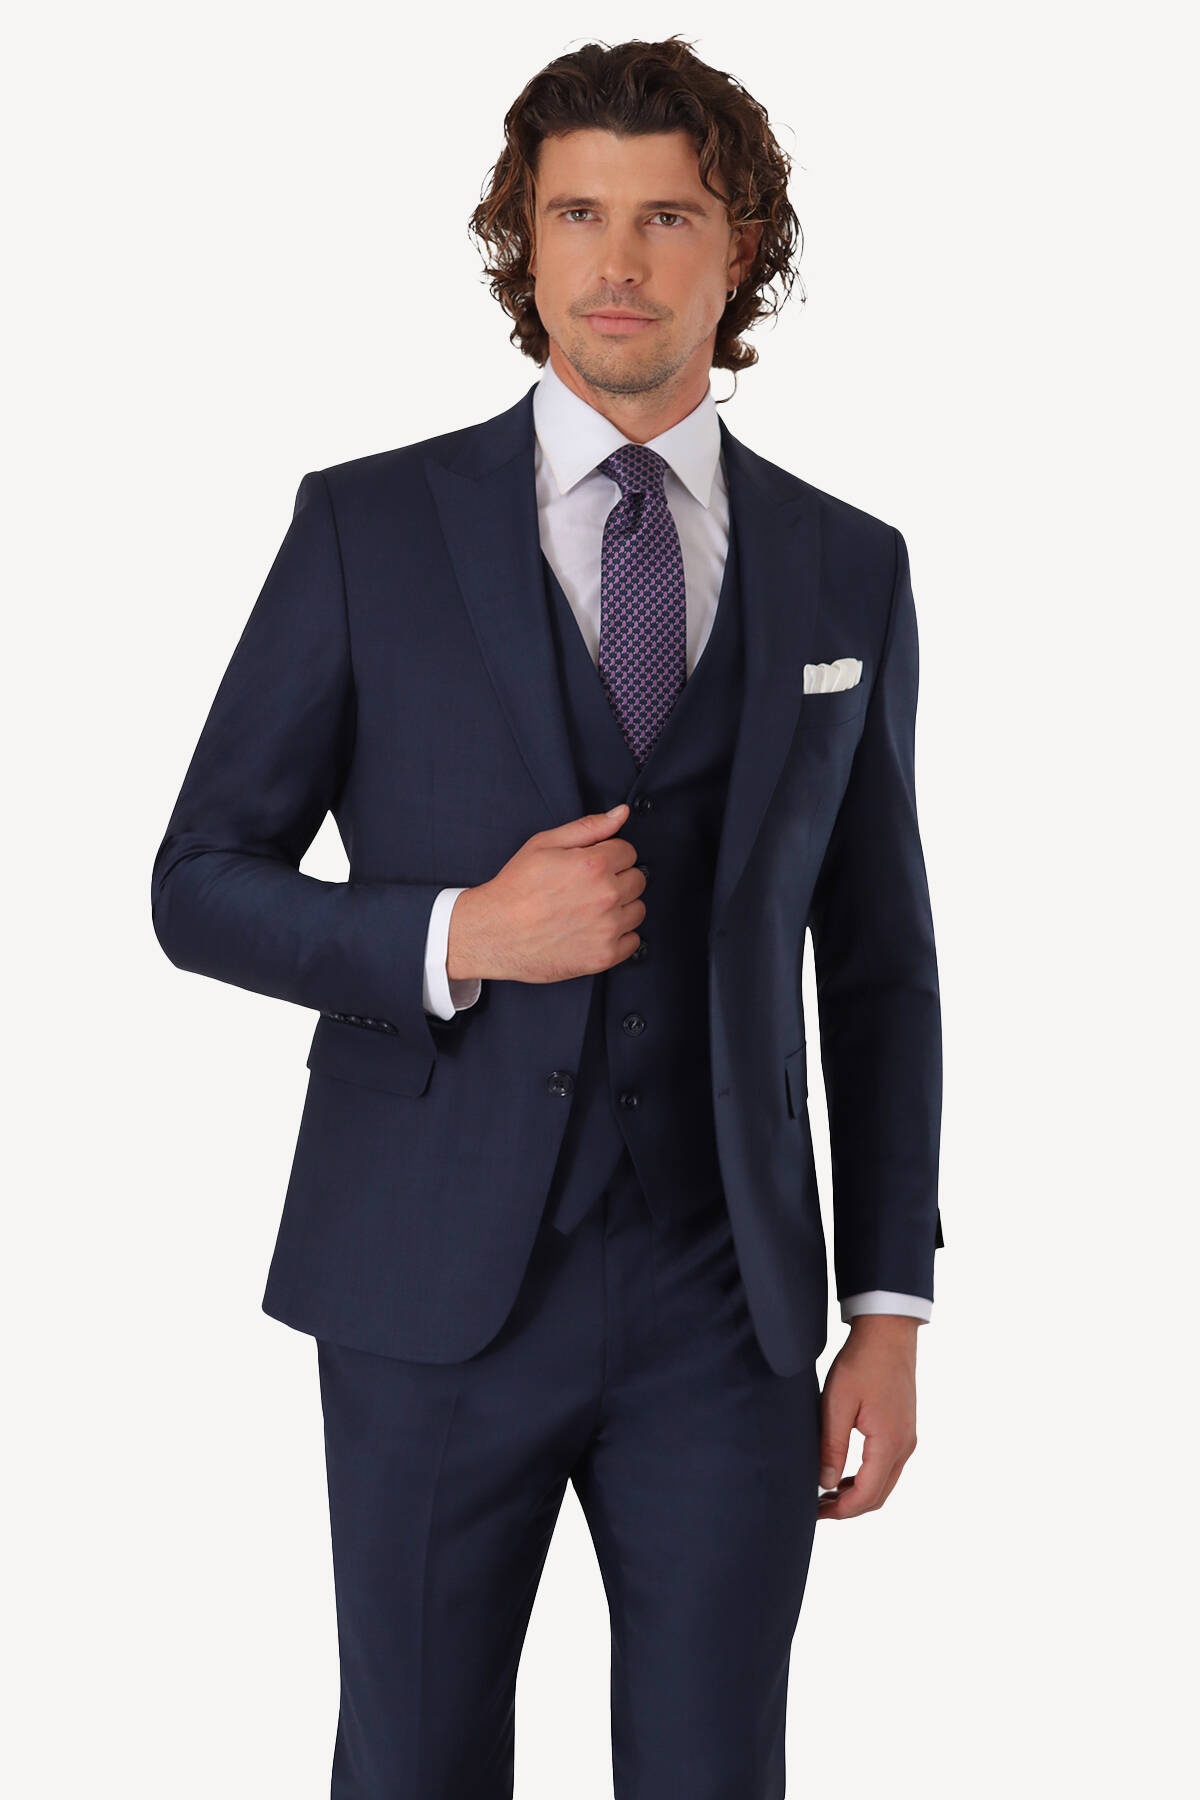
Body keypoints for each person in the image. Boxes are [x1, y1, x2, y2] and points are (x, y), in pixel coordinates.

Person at [151, 33, 943, 1800]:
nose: (618, 262)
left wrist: (888, 1303)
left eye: (668, 216)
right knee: (415, 1767)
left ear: (741, 248)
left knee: (715, 1773)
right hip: (426, 1277)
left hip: (727, 1303)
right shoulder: (365, 527)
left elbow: (882, 967)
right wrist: (456, 936)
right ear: (525, 236)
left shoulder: (849, 566)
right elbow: (196, 883)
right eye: (578, 213)